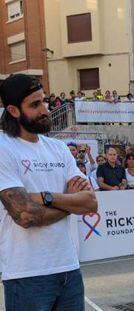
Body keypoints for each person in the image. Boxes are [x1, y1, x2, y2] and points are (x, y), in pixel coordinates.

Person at [0, 74, 98, 310]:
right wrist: (68, 203)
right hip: (26, 273)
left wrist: (44, 197)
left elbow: (90, 203)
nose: (45, 109)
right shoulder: (4, 148)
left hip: (69, 270)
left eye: (44, 101)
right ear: (13, 110)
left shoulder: (59, 148)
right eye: (35, 105)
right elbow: (26, 216)